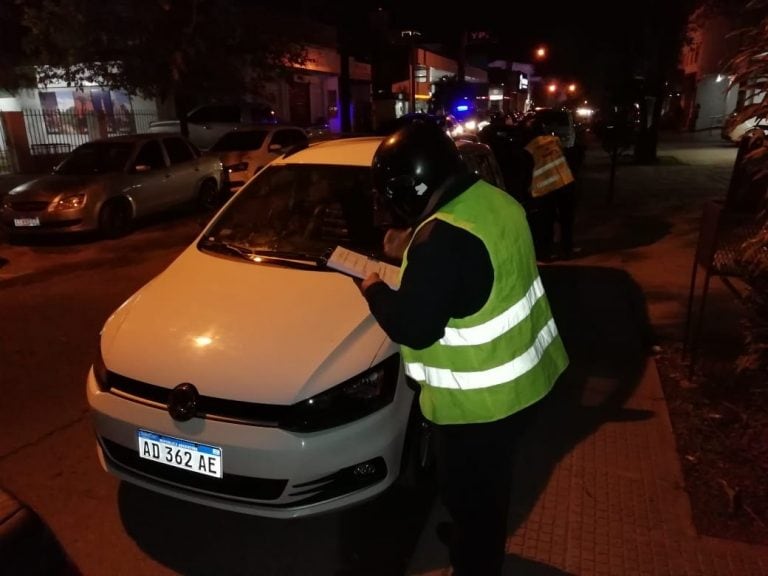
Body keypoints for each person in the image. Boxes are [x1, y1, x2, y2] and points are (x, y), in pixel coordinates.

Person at [358, 121, 570, 576]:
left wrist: (374, 288)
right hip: (525, 382)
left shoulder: (441, 240)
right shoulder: (494, 201)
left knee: (467, 493)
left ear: (415, 184)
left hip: (478, 406)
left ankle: (476, 562)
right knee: (490, 488)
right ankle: (473, 541)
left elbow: (414, 327)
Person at [523, 120, 577, 260]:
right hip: (564, 182)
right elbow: (565, 155)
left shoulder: (529, 148)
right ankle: (567, 249)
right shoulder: (554, 140)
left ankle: (546, 253)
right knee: (566, 219)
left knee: (546, 222)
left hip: (545, 188)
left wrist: (528, 188)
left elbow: (528, 170)